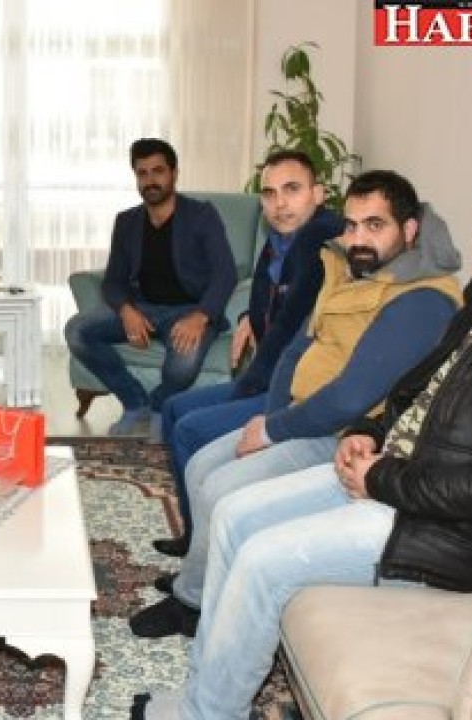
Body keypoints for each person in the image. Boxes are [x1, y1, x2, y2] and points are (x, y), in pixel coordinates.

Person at [135, 185, 472, 720]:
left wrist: (380, 479)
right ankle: (205, 694)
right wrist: (369, 430)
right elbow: (415, 392)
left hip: (450, 529)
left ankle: (204, 714)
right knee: (232, 515)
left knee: (261, 560)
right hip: (393, 475)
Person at [132, 170, 463, 639]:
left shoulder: (422, 300)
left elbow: (352, 397)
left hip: (345, 434)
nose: (358, 238)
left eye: (375, 225)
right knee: (201, 464)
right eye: (351, 225)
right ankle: (202, 576)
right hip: (299, 415)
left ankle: (193, 604)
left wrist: (272, 433)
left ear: (409, 230)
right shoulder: (349, 271)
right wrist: (270, 416)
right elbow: (295, 350)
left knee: (221, 487)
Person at [155, 150, 343, 555]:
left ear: (318, 194)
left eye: (292, 190)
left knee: (189, 428)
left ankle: (206, 547)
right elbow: (267, 301)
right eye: (270, 193)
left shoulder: (319, 242)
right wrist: (246, 317)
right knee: (173, 409)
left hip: (290, 391)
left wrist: (243, 391)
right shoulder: (279, 244)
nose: (280, 203)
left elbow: (287, 328)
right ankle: (194, 534)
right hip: (270, 377)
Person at [64, 138, 237, 437]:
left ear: (174, 173)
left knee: (184, 364)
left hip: (189, 310)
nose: (150, 180)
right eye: (142, 173)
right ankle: (135, 402)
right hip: (143, 308)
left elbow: (225, 273)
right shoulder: (127, 222)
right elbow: (114, 280)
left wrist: (201, 316)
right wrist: (126, 311)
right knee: (77, 330)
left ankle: (159, 405)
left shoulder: (201, 215)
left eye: (158, 171)